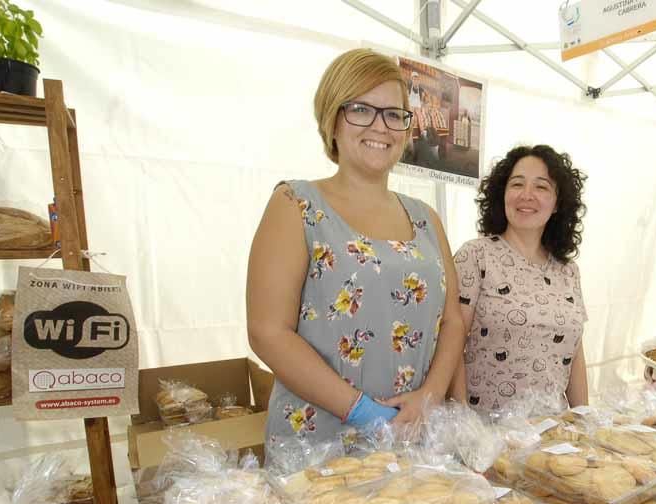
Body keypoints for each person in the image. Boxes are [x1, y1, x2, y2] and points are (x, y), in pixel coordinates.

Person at [247, 48, 463, 454]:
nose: (381, 127)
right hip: (320, 445)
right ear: (332, 119)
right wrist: (362, 412)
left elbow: (452, 321)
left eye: (394, 114)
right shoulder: (296, 205)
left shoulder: (426, 219)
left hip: (413, 438)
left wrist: (429, 397)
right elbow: (268, 331)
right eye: (362, 110)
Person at [451, 145, 589, 413]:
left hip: (553, 430)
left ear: (558, 203)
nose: (527, 196)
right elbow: (451, 343)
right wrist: (462, 418)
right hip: (488, 430)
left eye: (541, 187)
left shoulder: (568, 270)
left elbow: (575, 354)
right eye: (517, 184)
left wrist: (584, 417)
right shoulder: (476, 256)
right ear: (502, 194)